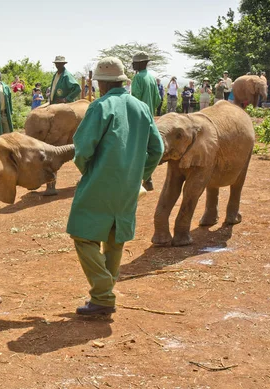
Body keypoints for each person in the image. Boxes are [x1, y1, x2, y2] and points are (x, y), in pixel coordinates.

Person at [67, 57, 164, 318]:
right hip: (129, 186)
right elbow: (158, 149)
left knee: (81, 233)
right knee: (114, 238)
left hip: (100, 182)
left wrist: (88, 171)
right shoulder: (142, 107)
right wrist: (140, 175)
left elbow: (83, 150)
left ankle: (104, 292)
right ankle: (102, 300)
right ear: (122, 80)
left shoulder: (100, 106)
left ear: (101, 84)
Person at [131, 51, 161, 192]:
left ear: (140, 63)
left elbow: (135, 98)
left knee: (137, 148)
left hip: (138, 117)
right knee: (148, 147)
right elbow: (158, 99)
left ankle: (140, 179)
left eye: (135, 62)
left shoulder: (137, 78)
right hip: (150, 116)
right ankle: (148, 179)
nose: (132, 64)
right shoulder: (151, 78)